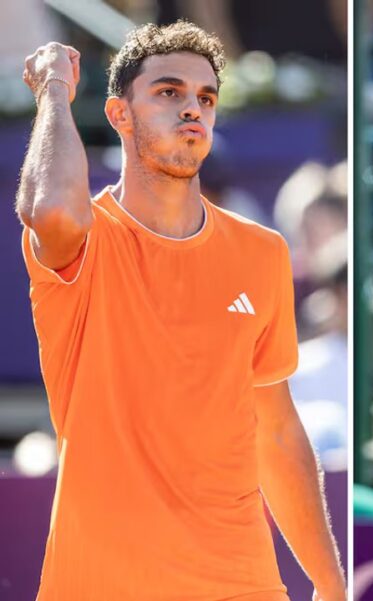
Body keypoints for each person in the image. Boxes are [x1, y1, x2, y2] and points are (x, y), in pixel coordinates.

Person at [16, 22, 345, 600]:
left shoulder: (262, 252)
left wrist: (328, 581)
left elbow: (276, 430)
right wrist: (53, 92)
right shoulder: (86, 239)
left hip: (241, 583)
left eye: (206, 98)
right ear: (119, 115)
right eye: (169, 92)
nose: (192, 109)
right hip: (100, 584)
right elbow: (51, 210)